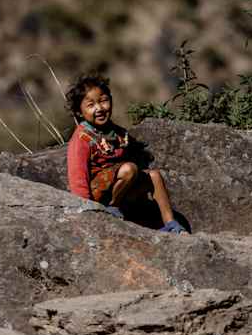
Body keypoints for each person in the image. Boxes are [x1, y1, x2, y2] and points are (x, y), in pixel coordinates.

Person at [65, 72, 187, 234]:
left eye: (103, 101)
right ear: (79, 112)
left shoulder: (117, 133)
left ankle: (171, 224)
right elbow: (78, 176)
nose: (99, 108)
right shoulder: (82, 138)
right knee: (129, 169)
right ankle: (112, 208)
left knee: (154, 176)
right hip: (97, 196)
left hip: (121, 189)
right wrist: (87, 210)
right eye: (90, 105)